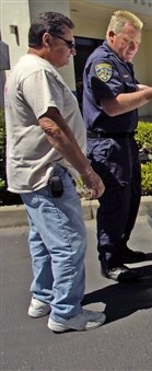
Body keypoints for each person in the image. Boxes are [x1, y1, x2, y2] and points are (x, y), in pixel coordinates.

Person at [4, 11, 106, 333]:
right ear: (47, 39)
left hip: (31, 174)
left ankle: (43, 297)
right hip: (47, 175)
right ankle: (65, 313)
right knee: (69, 244)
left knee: (42, 240)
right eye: (70, 44)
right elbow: (52, 127)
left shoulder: (25, 67)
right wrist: (87, 171)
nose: (74, 51)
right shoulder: (38, 72)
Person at [82, 10, 152, 282]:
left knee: (130, 199)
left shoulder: (120, 62)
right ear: (111, 35)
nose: (133, 49)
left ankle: (120, 248)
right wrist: (151, 94)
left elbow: (131, 86)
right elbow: (112, 106)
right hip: (108, 145)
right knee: (114, 203)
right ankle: (110, 260)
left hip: (123, 144)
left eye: (137, 44)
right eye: (129, 42)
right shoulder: (102, 62)